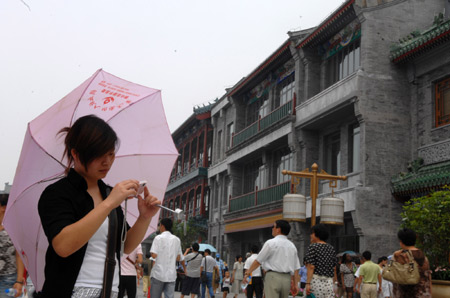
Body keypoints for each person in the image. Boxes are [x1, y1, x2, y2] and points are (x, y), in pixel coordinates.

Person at [38, 115, 160, 298]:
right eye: (99, 155)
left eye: (110, 153)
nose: (107, 162)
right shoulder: (57, 193)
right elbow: (63, 245)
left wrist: (144, 217)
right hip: (71, 291)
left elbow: (125, 246)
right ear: (75, 154)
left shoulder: (108, 192)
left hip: (110, 290)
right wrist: (110, 203)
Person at [245, 220, 300, 298]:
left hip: (273, 277)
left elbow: (258, 261)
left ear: (278, 229)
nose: (272, 229)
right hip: (286, 279)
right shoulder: (292, 246)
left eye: (273, 227)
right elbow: (296, 268)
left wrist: (248, 272)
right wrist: (295, 284)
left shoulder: (270, 243)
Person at [150, 218, 184, 298]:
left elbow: (154, 255)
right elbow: (179, 258)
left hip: (158, 273)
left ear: (162, 226)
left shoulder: (158, 238)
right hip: (171, 275)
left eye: (159, 225)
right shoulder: (177, 240)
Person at [392, 228, 431, 297]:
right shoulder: (424, 258)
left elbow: (390, 275)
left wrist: (394, 258)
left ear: (401, 242)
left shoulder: (399, 257)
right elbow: (428, 279)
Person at [0, 194, 25, 298]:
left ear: (3, 208)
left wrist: (19, 281)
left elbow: (19, 254)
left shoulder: (13, 227)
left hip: (9, 279)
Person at [304, 224, 337, 298]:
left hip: (316, 281)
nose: (310, 235)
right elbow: (334, 267)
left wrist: (308, 283)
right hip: (329, 282)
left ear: (317, 234)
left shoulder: (313, 247)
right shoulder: (331, 248)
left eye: (312, 233)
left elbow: (311, 266)